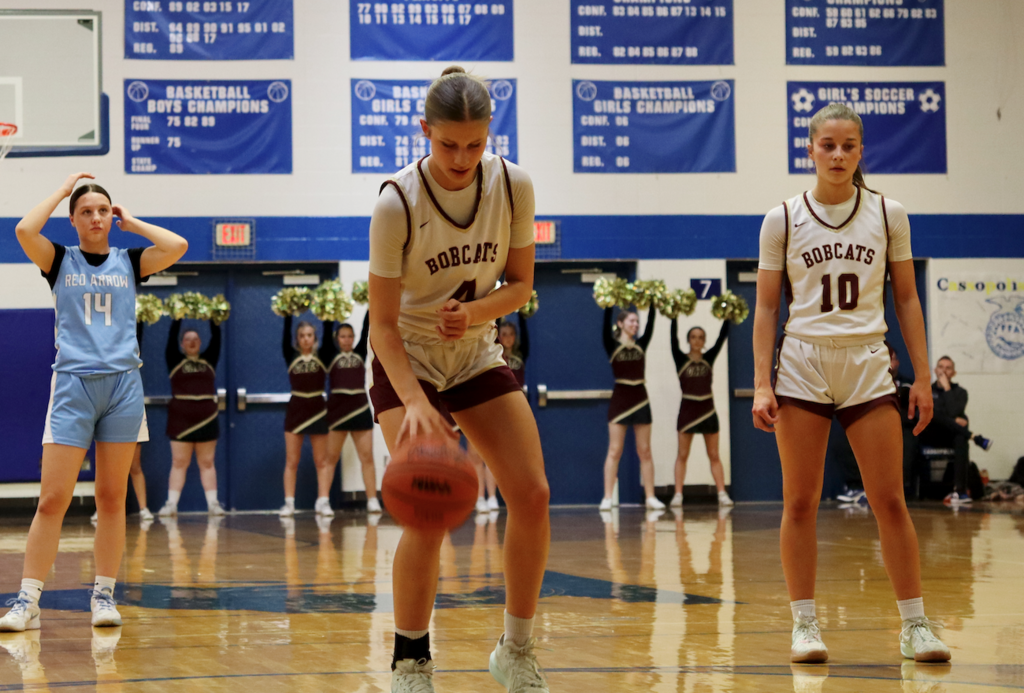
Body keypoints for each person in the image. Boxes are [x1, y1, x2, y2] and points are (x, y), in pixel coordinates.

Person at [368, 66, 550, 692]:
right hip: (408, 358)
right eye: (449, 144)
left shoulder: (514, 185)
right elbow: (382, 328)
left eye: (475, 144)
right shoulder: (397, 201)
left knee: (533, 495)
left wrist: (475, 313)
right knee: (427, 511)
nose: (462, 157)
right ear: (425, 131)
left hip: (474, 352)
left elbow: (522, 286)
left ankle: (516, 652)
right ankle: (411, 663)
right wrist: (415, 405)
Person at [751, 103, 950, 663]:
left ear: (862, 151)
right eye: (828, 145)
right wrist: (762, 384)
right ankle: (805, 625)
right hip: (803, 364)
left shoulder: (889, 214)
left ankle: (915, 626)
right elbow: (766, 308)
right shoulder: (782, 219)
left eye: (849, 146)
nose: (838, 155)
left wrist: (923, 376)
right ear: (809, 149)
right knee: (799, 502)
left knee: (890, 499)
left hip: (866, 359)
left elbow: (907, 297)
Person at [0, 173, 187, 632]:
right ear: (74, 220)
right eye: (87, 212)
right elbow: (25, 230)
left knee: (110, 497)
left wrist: (133, 221)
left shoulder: (130, 260)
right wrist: (65, 191)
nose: (96, 217)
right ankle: (28, 598)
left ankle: (103, 594)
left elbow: (178, 245)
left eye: (103, 210)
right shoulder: (59, 259)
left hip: (123, 386)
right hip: (73, 387)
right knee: (53, 499)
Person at [156, 318, 225, 516]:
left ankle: (213, 504)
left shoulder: (209, 359)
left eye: (195, 339)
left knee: (207, 462)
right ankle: (171, 504)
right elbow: (171, 336)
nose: (192, 342)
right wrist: (178, 315)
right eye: (187, 339)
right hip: (181, 418)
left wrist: (214, 315)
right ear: (181, 344)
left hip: (206, 417)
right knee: (179, 462)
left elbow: (217, 336)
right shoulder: (174, 359)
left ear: (201, 343)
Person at [600, 306, 664, 511]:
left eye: (637, 322)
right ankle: (608, 497)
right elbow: (603, 326)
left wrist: (654, 302)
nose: (635, 324)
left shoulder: (641, 344)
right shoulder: (612, 345)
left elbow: (651, 325)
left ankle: (650, 497)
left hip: (640, 398)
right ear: (620, 324)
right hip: (620, 398)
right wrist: (609, 303)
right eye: (631, 321)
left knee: (644, 450)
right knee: (614, 450)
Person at [669, 319, 733, 508]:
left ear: (704, 341)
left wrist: (728, 315)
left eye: (701, 337)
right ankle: (678, 495)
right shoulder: (680, 359)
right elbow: (672, 339)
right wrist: (674, 316)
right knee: (682, 454)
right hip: (688, 410)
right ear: (688, 340)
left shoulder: (709, 358)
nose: (697, 341)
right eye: (693, 337)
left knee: (714, 454)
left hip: (707, 410)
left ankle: (722, 494)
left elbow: (722, 337)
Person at [322, 312, 381, 515]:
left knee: (367, 457)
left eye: (349, 336)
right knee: (330, 457)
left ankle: (372, 500)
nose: (346, 340)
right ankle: (323, 501)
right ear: (336, 339)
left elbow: (367, 327)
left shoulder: (359, 354)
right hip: (338, 410)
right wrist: (329, 310)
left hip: (359, 408)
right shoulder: (330, 356)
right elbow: (326, 328)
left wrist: (370, 303)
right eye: (342, 336)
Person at [473, 316, 530, 512]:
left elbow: (525, 332)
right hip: (493, 406)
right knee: (482, 454)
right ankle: (482, 497)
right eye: (504, 334)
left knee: (511, 456)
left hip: (514, 409)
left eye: (511, 334)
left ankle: (499, 497)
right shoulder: (494, 355)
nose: (507, 338)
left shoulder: (521, 355)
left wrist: (523, 309)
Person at [918, 356, 993, 506]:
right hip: (931, 434)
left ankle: (960, 491)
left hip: (951, 434)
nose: (944, 371)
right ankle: (975, 437)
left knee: (960, 436)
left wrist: (947, 388)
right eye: (941, 367)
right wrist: (953, 419)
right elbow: (934, 416)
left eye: (948, 368)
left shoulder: (960, 392)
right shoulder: (926, 391)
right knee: (934, 415)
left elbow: (954, 411)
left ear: (954, 373)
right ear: (935, 370)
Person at [279, 315, 332, 517]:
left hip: (318, 408)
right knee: (292, 460)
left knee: (322, 460)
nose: (306, 339)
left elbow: (328, 331)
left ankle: (323, 501)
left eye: (309, 335)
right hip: (296, 409)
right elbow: (284, 337)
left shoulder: (323, 356)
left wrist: (327, 314)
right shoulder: (291, 355)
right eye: (302, 336)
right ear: (297, 339)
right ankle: (289, 503)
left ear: (314, 338)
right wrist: (288, 313)